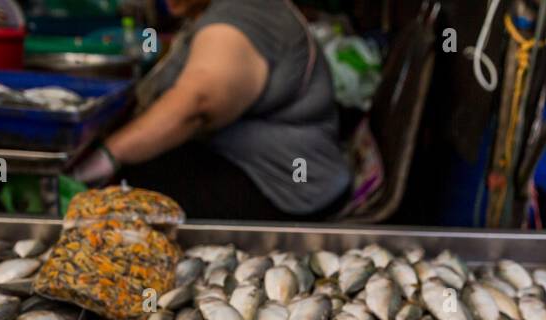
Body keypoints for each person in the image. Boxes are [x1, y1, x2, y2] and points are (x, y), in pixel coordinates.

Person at [69, 0, 350, 220]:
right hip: (252, 170)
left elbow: (197, 104)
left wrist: (107, 157)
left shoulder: (244, 15)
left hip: (282, 189)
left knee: (125, 194)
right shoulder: (216, 12)